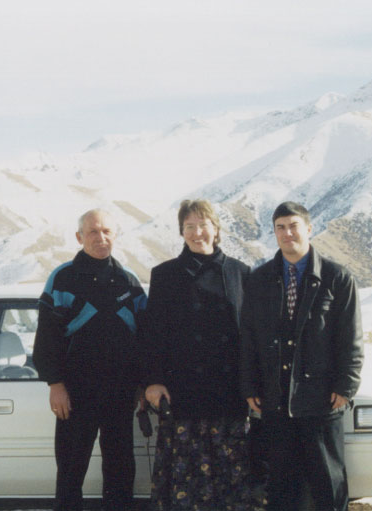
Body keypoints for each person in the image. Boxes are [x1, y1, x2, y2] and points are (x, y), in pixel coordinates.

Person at [239, 202, 364, 511]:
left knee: (328, 486)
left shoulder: (337, 278)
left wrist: (346, 386)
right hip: (276, 402)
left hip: (321, 401)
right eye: (280, 227)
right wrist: (250, 386)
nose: (287, 233)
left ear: (309, 229)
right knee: (283, 488)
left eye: (293, 226)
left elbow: (351, 339)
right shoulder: (259, 280)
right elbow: (249, 339)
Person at [144, 199, 261, 511]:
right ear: (182, 232)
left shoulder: (241, 273)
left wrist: (254, 385)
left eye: (203, 224)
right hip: (183, 392)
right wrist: (153, 382)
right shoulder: (165, 275)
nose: (198, 232)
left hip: (230, 393)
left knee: (232, 476)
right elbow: (153, 335)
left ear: (216, 228)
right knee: (188, 481)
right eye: (190, 226)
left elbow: (251, 338)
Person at [33, 208, 147, 511]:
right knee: (71, 472)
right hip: (75, 393)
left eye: (107, 231)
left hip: (121, 393)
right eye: (93, 232)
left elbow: (144, 338)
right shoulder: (62, 278)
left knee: (121, 470)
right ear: (79, 237)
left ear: (115, 235)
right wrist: (55, 384)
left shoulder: (129, 280)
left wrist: (141, 385)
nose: (101, 237)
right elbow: (46, 337)